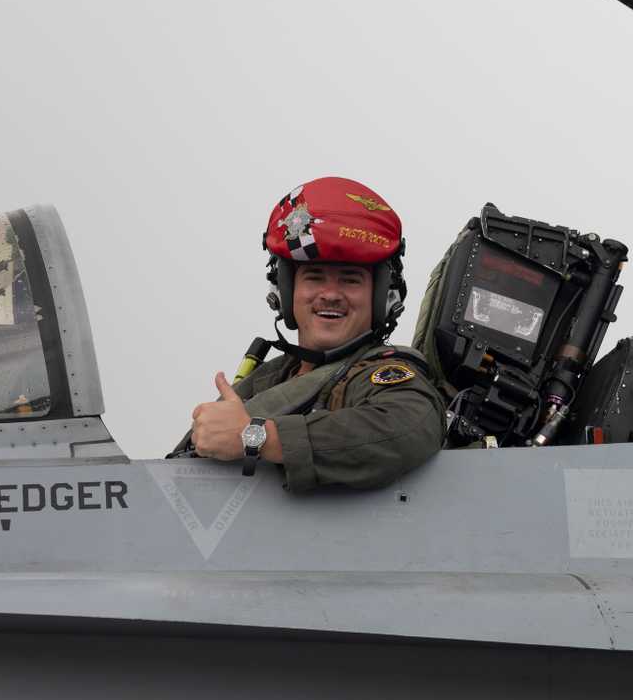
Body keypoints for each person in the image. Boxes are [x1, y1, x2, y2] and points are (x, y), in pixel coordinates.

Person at [178, 177, 446, 490]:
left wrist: (258, 437)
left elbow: (407, 426)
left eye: (350, 280)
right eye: (314, 277)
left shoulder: (379, 375)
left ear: (381, 299)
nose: (330, 294)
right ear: (285, 292)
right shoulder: (266, 380)